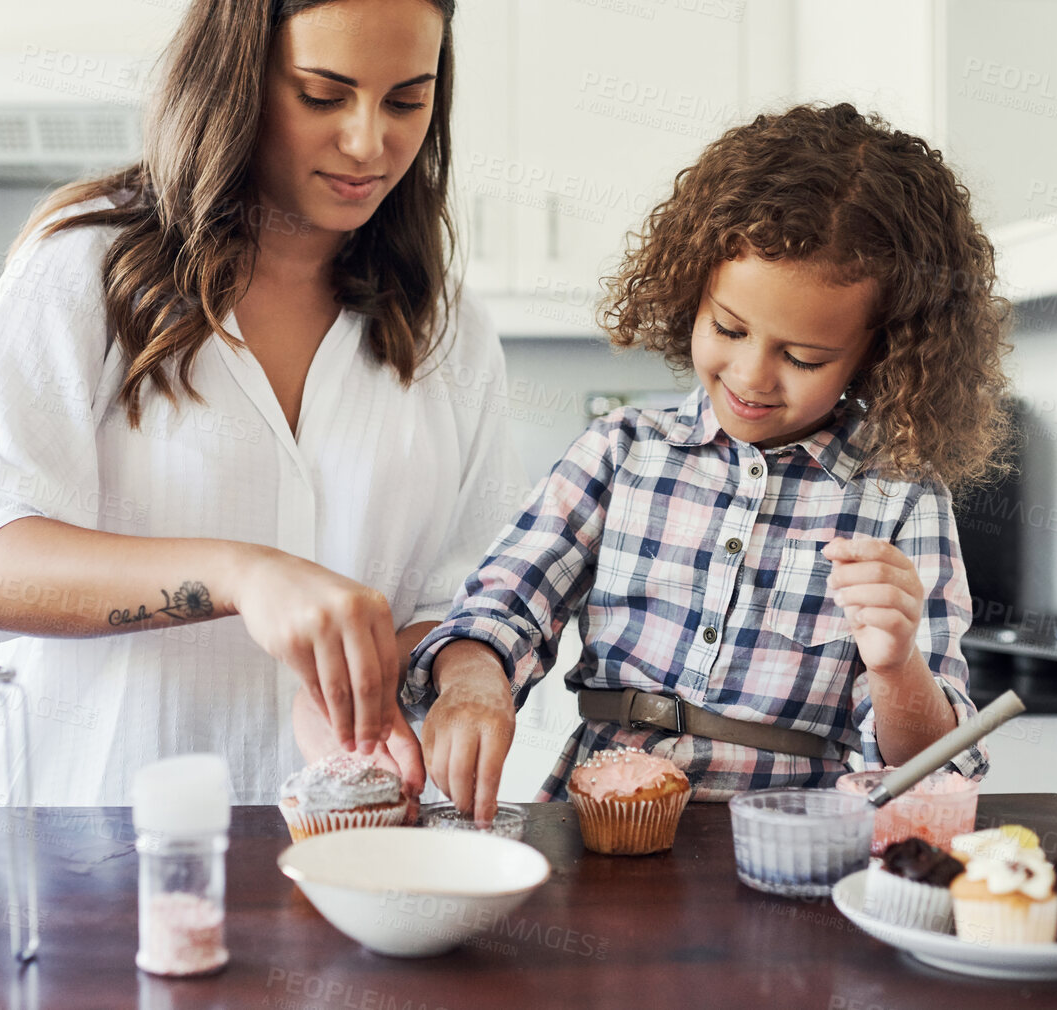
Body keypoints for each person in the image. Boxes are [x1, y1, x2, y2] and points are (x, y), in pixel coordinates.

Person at [0, 0, 526, 806]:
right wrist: (240, 574)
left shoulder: (445, 331)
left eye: (407, 101)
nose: (368, 143)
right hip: (92, 859)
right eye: (324, 93)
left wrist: (412, 681)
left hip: (357, 864)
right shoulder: (89, 269)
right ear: (238, 71)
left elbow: (460, 596)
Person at [404, 103, 1013, 821]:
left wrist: (895, 663)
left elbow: (933, 766)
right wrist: (475, 679)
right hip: (599, 836)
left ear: (879, 352)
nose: (753, 375)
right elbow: (501, 607)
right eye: (728, 328)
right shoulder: (622, 451)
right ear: (691, 290)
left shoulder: (902, 500)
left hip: (792, 850)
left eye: (804, 357)